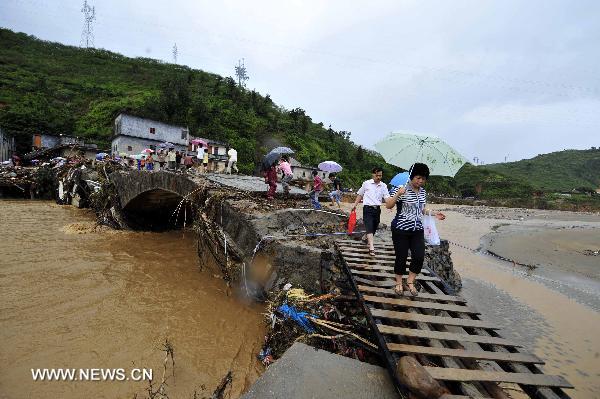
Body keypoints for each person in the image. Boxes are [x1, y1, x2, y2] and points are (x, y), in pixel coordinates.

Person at [386, 163, 445, 296]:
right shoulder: (401, 188)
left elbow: (422, 209)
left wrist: (434, 213)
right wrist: (397, 195)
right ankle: (399, 282)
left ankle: (410, 281)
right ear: (412, 176)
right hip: (400, 228)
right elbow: (388, 205)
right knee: (401, 257)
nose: (420, 181)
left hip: (417, 229)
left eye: (423, 179)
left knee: (419, 256)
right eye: (418, 178)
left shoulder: (423, 192)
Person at [351, 167, 390, 256]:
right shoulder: (366, 184)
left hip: (377, 209)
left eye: (380, 175)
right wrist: (355, 205)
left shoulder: (383, 185)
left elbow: (387, 197)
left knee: (374, 227)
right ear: (373, 174)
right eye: (377, 175)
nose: (379, 177)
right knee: (369, 225)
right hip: (367, 208)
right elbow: (360, 194)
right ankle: (371, 247)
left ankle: (365, 237)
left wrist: (391, 204)